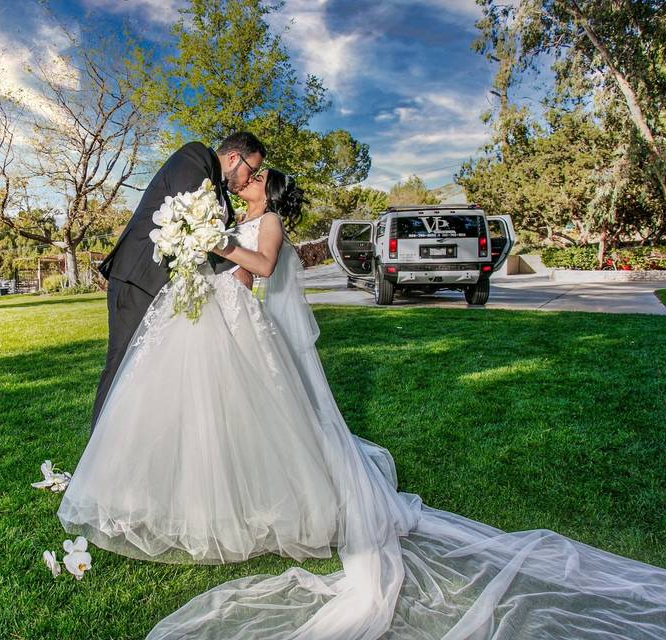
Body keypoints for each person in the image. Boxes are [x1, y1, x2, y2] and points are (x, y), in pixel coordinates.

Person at [58, 169, 666, 639]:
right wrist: (201, 245)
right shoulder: (225, 214)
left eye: (260, 179)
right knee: (212, 417)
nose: (250, 182)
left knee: (256, 418)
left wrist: (217, 243)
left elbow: (263, 266)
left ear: (270, 191)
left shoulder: (265, 222)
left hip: (239, 318)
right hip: (216, 316)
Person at [90, 132, 265, 431]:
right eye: (252, 169)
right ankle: (98, 454)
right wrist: (235, 266)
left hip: (168, 290)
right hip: (139, 279)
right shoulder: (195, 157)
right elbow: (194, 226)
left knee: (150, 371)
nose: (250, 178)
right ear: (235, 158)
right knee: (121, 364)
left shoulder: (220, 193)